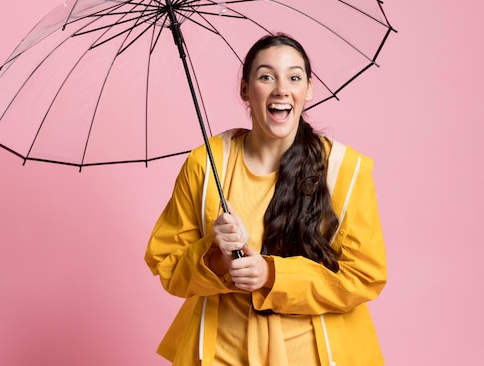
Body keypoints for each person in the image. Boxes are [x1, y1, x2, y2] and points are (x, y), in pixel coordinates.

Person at [145, 33, 387, 365]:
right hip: (221, 354)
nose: (281, 89)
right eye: (266, 76)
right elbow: (168, 266)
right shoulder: (207, 164)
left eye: (294, 77)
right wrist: (217, 258)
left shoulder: (345, 170)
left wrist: (271, 275)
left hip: (315, 356)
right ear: (245, 89)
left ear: (309, 89)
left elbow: (363, 276)